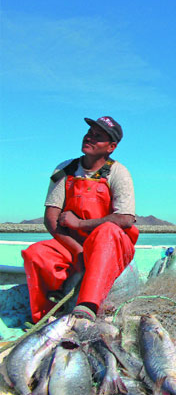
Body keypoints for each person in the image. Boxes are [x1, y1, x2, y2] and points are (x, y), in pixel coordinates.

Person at [22, 116, 138, 323]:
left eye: (98, 137)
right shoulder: (65, 169)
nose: (89, 138)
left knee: (107, 231)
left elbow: (125, 219)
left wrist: (80, 224)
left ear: (111, 147)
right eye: (89, 133)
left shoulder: (119, 172)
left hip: (109, 247)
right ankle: (46, 316)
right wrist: (78, 251)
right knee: (36, 254)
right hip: (73, 245)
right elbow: (51, 218)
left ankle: (88, 305)